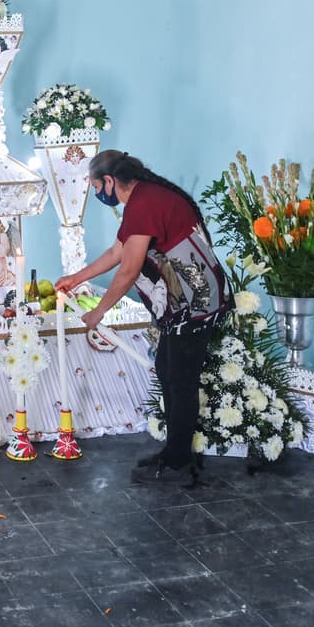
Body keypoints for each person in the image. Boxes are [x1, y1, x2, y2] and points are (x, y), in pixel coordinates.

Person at [56, 150, 232, 486]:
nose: (97, 195)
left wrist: (99, 311)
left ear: (110, 181)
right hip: (186, 300)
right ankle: (174, 453)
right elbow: (117, 251)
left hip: (196, 300)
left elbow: (128, 270)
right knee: (169, 371)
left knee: (179, 379)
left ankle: (179, 463)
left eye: (96, 187)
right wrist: (75, 278)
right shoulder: (142, 200)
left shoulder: (144, 203)